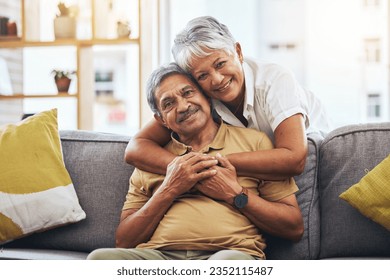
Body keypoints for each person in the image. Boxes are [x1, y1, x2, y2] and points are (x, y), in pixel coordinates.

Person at [87, 63, 303, 260]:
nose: (182, 107)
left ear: (207, 97)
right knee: (99, 260)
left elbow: (293, 227)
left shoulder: (254, 143)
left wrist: (235, 194)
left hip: (227, 255)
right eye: (169, 103)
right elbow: (123, 241)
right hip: (159, 258)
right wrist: (170, 188)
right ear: (162, 120)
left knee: (228, 264)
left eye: (188, 93)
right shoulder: (151, 159)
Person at [124, 16, 332, 180]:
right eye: (202, 76)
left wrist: (211, 162)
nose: (216, 80)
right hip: (254, 172)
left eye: (220, 64)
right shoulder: (199, 97)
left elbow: (294, 158)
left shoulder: (275, 79)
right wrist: (185, 168)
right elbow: (136, 148)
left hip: (316, 165)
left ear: (238, 52)